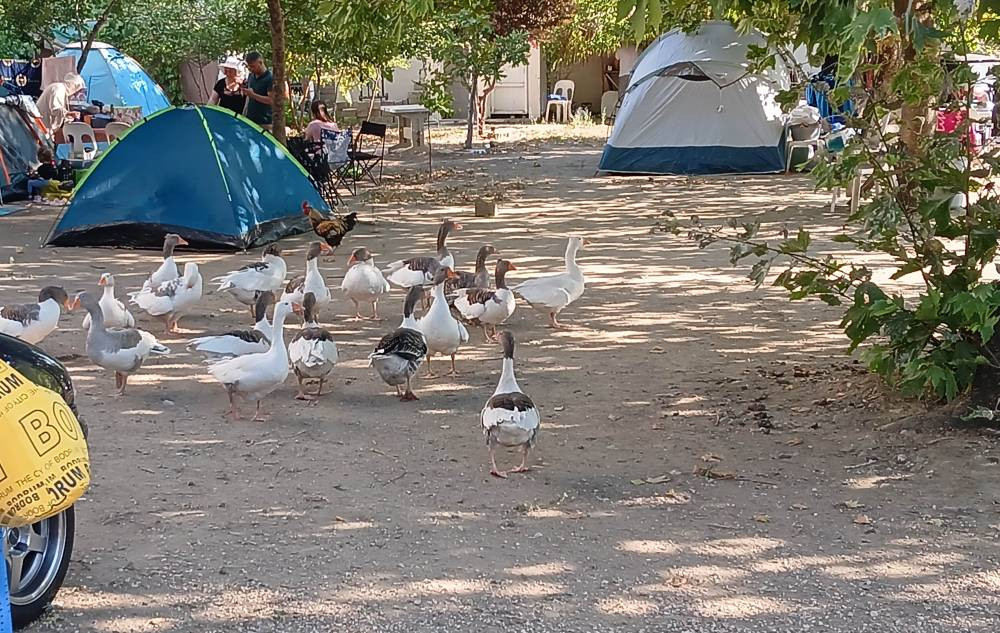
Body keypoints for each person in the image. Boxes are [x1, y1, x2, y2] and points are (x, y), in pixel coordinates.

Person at [242, 51, 273, 129]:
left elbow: (271, 100)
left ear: (260, 62)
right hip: (250, 121)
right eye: (248, 66)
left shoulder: (270, 78)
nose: (250, 69)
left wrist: (253, 95)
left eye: (253, 66)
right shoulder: (251, 76)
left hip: (265, 122)